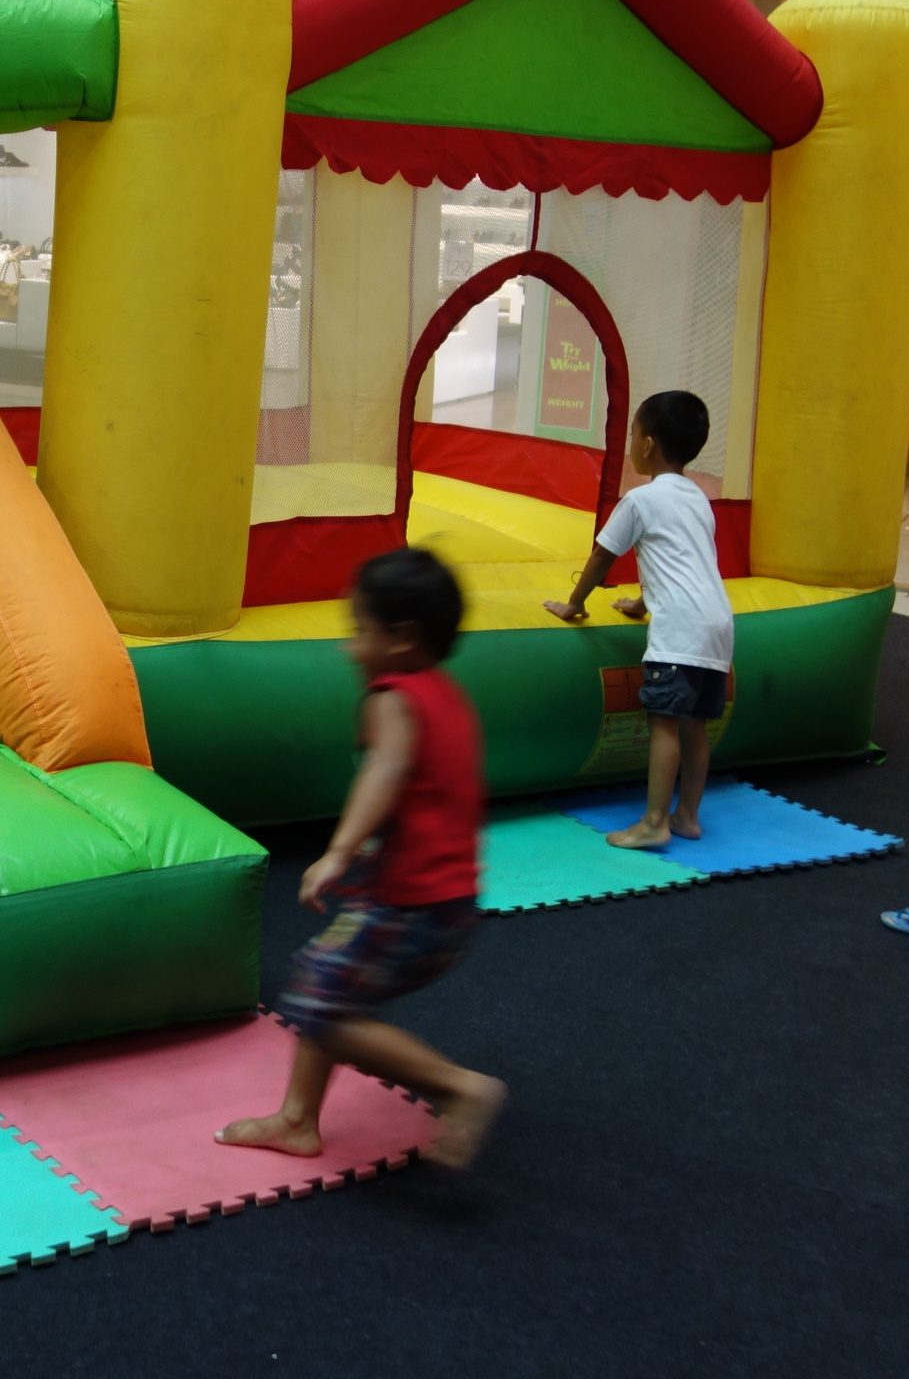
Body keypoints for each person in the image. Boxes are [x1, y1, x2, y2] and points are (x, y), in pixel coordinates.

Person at [218, 548, 506, 1170]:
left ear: (401, 638)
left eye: (359, 630)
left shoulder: (393, 696)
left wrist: (338, 852)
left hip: (412, 906)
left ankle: (459, 1087)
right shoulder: (448, 695)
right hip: (450, 905)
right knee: (323, 981)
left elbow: (388, 767)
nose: (349, 648)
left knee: (319, 1004)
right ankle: (297, 1120)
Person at [543, 391, 736, 847]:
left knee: (664, 722)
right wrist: (643, 603)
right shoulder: (699, 499)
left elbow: (602, 557)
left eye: (632, 434)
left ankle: (653, 822)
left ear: (647, 444)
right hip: (718, 627)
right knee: (695, 726)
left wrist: (574, 603)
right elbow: (682, 564)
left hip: (680, 633)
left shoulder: (639, 500)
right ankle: (687, 816)